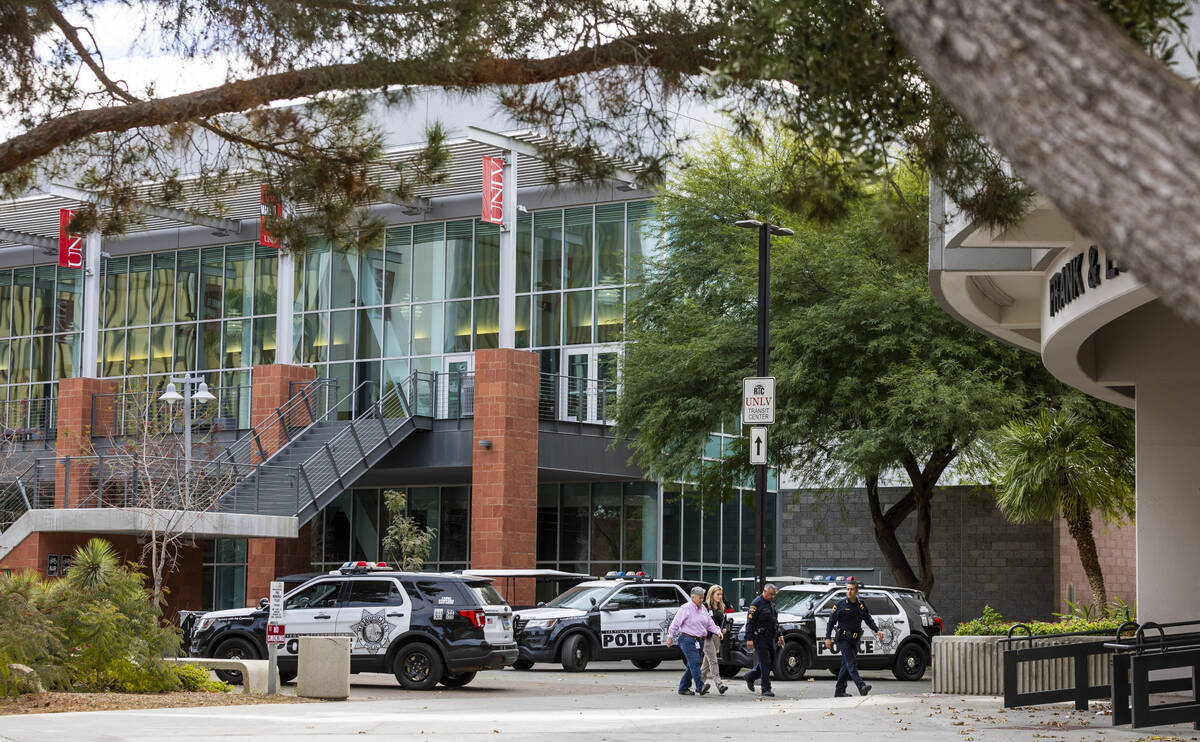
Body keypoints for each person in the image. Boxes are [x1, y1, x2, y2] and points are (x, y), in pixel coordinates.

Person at [824, 581, 885, 697]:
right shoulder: (840, 604)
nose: (849, 591)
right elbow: (831, 622)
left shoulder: (861, 605)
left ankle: (839, 691)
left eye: (851, 589)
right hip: (843, 638)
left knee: (845, 665)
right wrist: (828, 638)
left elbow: (868, 619)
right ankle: (861, 686)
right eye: (847, 589)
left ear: (857, 591)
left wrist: (877, 630)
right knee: (851, 663)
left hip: (855, 640)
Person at [665, 586, 724, 696]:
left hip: (699, 640)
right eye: (699, 598)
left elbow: (709, 622)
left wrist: (717, 630)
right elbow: (675, 623)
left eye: (702, 598)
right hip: (687, 639)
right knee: (695, 662)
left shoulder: (703, 608)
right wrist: (670, 637)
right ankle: (700, 686)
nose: (702, 600)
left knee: (692, 665)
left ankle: (683, 687)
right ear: (692, 597)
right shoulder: (685, 608)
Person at [743, 583, 784, 697]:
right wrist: (749, 639)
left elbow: (775, 621)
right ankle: (766, 688)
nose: (772, 597)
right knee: (765, 663)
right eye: (771, 594)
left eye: (774, 595)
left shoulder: (771, 604)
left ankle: (750, 676)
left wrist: (780, 635)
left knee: (770, 663)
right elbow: (750, 623)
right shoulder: (756, 604)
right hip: (760, 638)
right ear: (764, 592)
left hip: (771, 637)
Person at [698, 584, 730, 695]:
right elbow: (702, 621)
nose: (720, 596)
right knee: (713, 660)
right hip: (707, 637)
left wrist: (725, 629)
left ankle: (699, 684)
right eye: (718, 594)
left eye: (721, 594)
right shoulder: (705, 606)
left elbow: (724, 621)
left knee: (706, 663)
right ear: (711, 595)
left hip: (717, 636)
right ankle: (719, 684)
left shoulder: (721, 607)